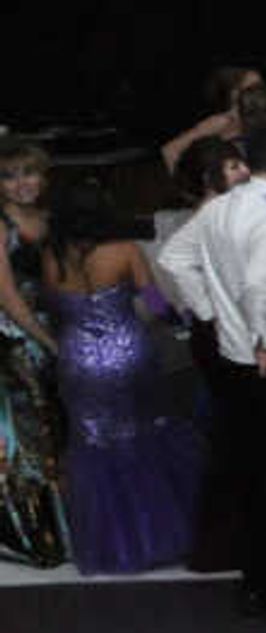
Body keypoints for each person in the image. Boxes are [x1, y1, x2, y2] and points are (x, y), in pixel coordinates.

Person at [158, 125, 266, 613]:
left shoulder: (220, 206)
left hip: (235, 357)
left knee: (257, 472)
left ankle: (260, 579)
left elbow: (175, 258)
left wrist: (212, 313)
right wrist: (265, 340)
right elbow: (260, 286)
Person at [39, 177, 202, 574]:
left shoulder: (50, 256)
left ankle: (112, 544)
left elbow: (55, 307)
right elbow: (154, 302)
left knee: (95, 446)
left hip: (78, 357)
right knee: (144, 436)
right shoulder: (124, 250)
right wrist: (184, 321)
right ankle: (156, 534)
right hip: (128, 352)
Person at [0, 137, 62, 567]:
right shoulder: (1, 226)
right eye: (9, 176)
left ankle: (64, 524)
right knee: (29, 435)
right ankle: (34, 531)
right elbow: (7, 297)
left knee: (56, 428)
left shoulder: (51, 218)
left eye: (28, 172)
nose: (21, 183)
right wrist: (46, 339)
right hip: (14, 337)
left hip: (54, 330)